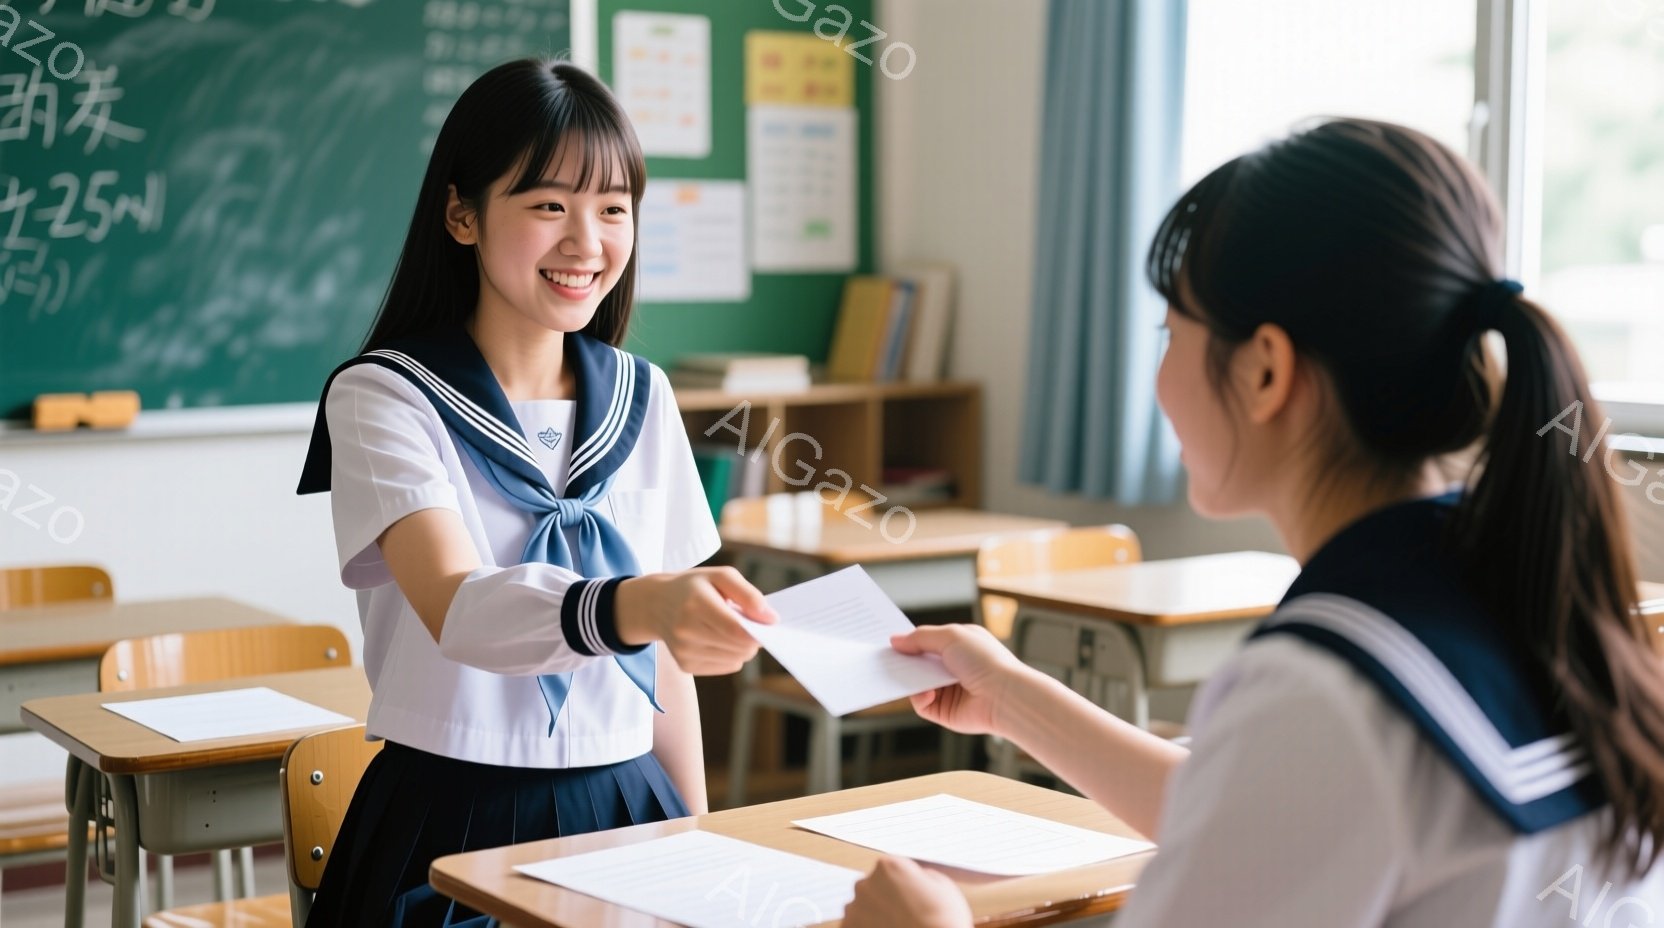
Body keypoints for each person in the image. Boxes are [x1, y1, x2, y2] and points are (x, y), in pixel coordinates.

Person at [843, 118, 1664, 926]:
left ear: (1266, 369)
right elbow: (1273, 820)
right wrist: (1013, 698)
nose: (1160, 377)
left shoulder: (1320, 690)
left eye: (1171, 333)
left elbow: (1295, 790)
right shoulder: (1512, 589)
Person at [295, 59, 776, 927]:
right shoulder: (384, 395)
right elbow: (459, 606)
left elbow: (666, 665)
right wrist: (641, 604)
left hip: (631, 799)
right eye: (550, 205)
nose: (587, 242)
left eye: (614, 209)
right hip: (450, 811)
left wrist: (697, 835)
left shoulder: (642, 395)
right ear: (462, 215)